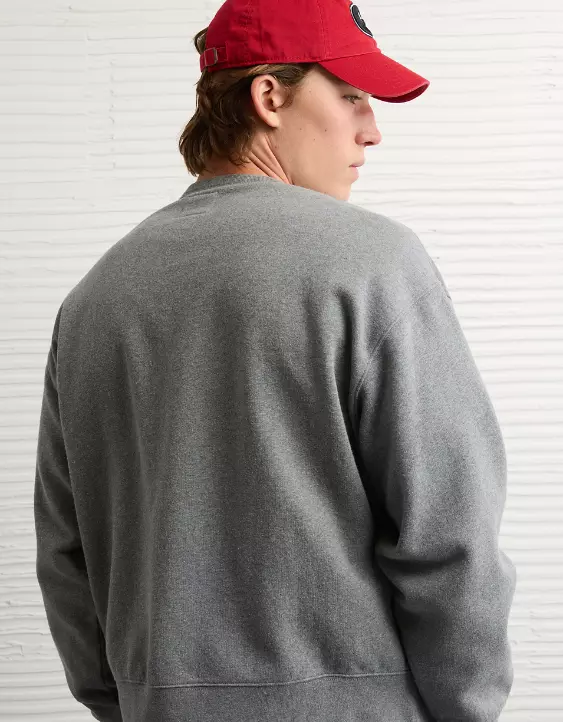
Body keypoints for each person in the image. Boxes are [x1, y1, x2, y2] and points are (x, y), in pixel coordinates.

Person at [33, 1, 517, 721]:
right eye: (350, 97)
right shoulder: (372, 263)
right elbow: (447, 534)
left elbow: (66, 554)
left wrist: (125, 701)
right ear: (269, 96)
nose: (372, 130)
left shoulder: (95, 298)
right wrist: (467, 708)